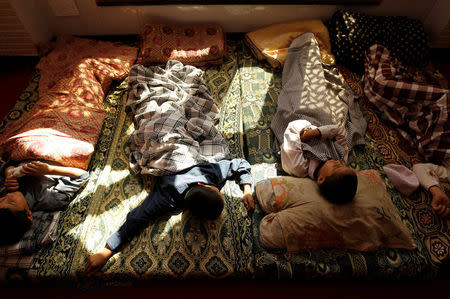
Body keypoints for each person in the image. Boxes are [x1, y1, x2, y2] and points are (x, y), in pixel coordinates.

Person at [85, 158, 255, 277]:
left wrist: (247, 190)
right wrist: (106, 251)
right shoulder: (168, 198)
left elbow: (239, 163)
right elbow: (136, 218)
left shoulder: (209, 173)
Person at [0, 160, 89, 245]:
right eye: (11, 202)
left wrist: (9, 171)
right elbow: (82, 175)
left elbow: (9, 162)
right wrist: (50, 169)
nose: (8, 196)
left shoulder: (5, 189)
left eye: (1, 199)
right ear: (29, 215)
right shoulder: (49, 199)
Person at [280, 119, 357, 204]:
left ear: (321, 179)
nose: (338, 162)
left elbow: (292, 129)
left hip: (300, 121)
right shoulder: (340, 158)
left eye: (336, 167)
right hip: (323, 123)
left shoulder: (298, 166)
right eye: (343, 165)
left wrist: (307, 133)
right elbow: (340, 130)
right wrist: (317, 132)